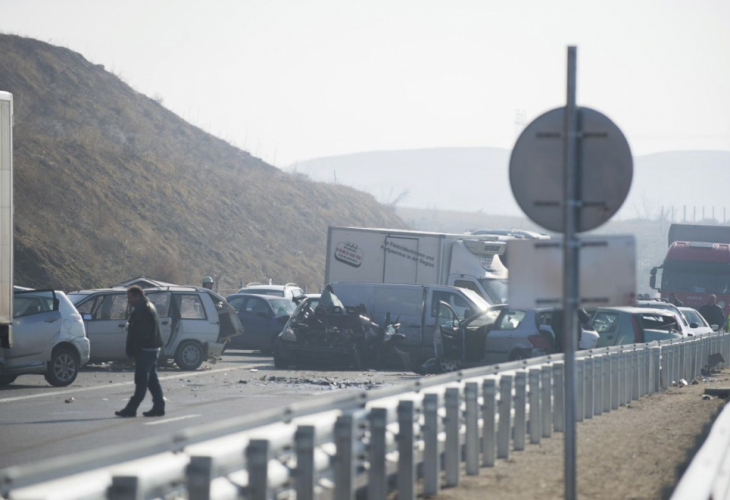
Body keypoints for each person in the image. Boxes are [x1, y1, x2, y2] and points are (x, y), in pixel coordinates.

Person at [115, 286, 165, 418]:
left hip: (146, 350)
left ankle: (131, 408)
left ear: (138, 296)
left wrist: (134, 350)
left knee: (141, 380)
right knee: (152, 380)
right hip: (151, 349)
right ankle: (159, 406)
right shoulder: (146, 306)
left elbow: (141, 334)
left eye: (130, 298)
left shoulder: (143, 310)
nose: (128, 301)